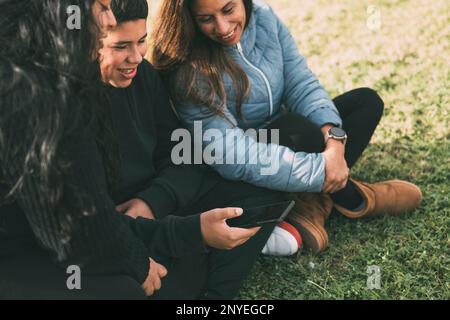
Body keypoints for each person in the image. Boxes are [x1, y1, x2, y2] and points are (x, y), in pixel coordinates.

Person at [0, 0, 278, 300]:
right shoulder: (48, 98)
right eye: (120, 46)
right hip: (103, 234)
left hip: (142, 214)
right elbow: (82, 228)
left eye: (142, 41)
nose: (135, 56)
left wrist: (153, 201)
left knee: (256, 187)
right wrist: (183, 234)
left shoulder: (142, 75)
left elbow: (181, 154)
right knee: (129, 286)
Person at [152, 0, 423, 254]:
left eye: (228, 9)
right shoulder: (188, 69)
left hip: (288, 137)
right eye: (206, 19)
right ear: (189, 19)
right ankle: (353, 198)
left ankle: (313, 205)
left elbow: (300, 83)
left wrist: (334, 142)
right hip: (240, 166)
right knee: (299, 129)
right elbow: (231, 156)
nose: (222, 27)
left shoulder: (264, 17)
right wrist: (321, 171)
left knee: (365, 103)